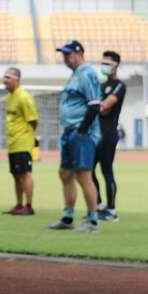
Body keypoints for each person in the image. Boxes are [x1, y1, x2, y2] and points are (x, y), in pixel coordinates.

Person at [48, 40, 105, 231]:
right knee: (65, 173)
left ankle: (93, 220)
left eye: (68, 54)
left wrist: (82, 131)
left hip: (82, 132)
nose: (65, 58)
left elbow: (94, 104)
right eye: (63, 54)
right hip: (70, 131)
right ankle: (68, 217)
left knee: (83, 175)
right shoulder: (75, 75)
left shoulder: (87, 73)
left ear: (79, 54)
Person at [93, 50, 129, 221]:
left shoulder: (119, 85)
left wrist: (97, 106)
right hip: (95, 133)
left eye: (107, 64)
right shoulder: (100, 86)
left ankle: (112, 210)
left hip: (108, 134)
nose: (104, 67)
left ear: (116, 65)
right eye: (103, 63)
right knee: (87, 170)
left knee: (106, 171)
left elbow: (105, 106)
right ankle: (99, 205)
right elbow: (97, 106)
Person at [2, 66, 38, 214]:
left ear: (17, 79)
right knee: (16, 175)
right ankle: (19, 205)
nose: (5, 80)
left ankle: (28, 206)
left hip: (23, 142)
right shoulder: (10, 97)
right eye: (4, 77)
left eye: (8, 78)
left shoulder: (24, 97)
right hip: (13, 143)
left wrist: (28, 135)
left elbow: (33, 120)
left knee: (24, 174)